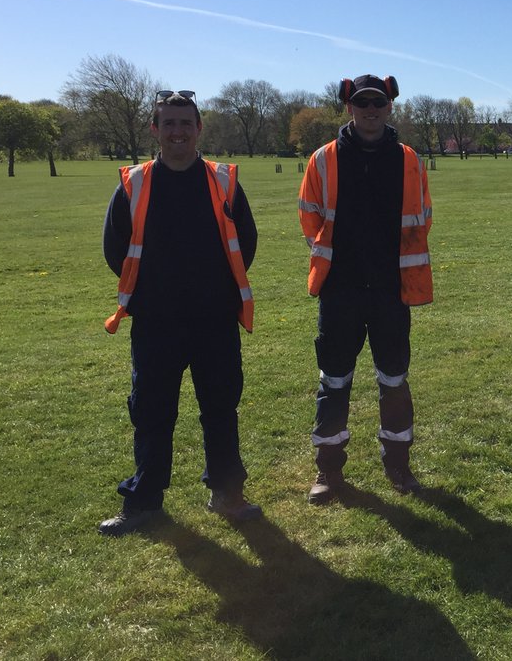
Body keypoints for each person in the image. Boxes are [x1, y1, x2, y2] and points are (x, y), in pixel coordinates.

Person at [98, 89, 260, 536]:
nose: (177, 132)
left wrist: (214, 289)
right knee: (151, 411)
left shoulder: (223, 181)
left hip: (214, 318)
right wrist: (151, 293)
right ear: (154, 129)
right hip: (156, 322)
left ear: (199, 129)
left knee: (221, 408)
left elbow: (245, 241)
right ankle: (144, 501)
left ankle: (227, 493)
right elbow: (115, 248)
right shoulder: (134, 183)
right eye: (168, 123)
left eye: (185, 123)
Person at [298, 74, 433, 504]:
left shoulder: (409, 159)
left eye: (377, 102)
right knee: (334, 381)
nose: (370, 110)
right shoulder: (323, 159)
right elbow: (309, 217)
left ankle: (398, 466)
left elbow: (422, 216)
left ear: (390, 106)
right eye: (362, 103)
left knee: (394, 380)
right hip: (341, 291)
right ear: (349, 107)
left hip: (392, 291)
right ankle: (328, 473)